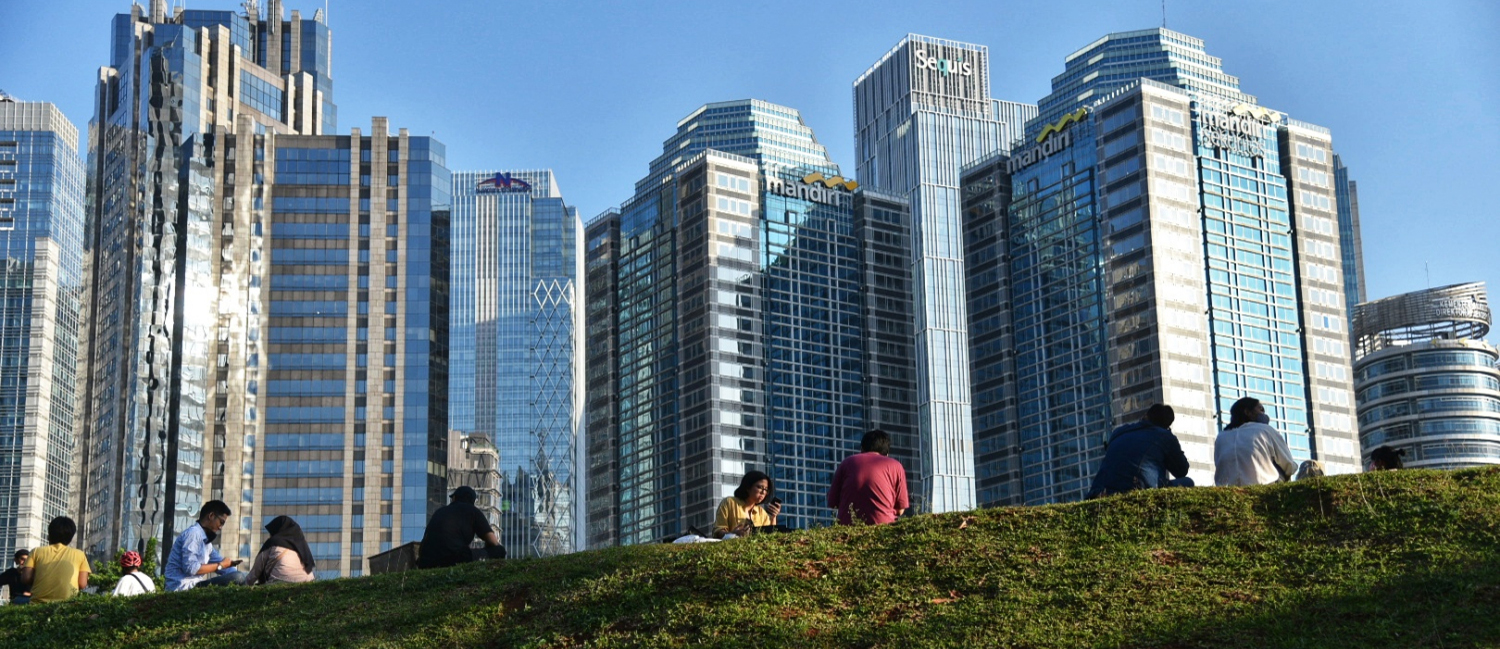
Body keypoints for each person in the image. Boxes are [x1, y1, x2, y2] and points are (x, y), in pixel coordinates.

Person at [1086, 404, 1193, 498]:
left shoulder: (1119, 432)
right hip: (1135, 488)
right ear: (1167, 425)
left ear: (1146, 416)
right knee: (1188, 482)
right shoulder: (1165, 436)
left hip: (1098, 491)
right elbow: (1182, 471)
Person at [828, 430, 910, 525]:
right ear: (887, 453)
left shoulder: (846, 463)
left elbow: (832, 503)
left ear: (862, 449)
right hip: (883, 527)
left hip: (848, 528)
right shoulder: (896, 466)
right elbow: (900, 510)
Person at [1214, 397, 1298, 486]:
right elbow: (1289, 466)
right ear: (1248, 412)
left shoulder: (1221, 437)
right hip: (1265, 488)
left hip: (1228, 492)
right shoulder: (1265, 430)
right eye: (1261, 409)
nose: (1264, 413)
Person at [165, 500, 246, 591]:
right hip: (181, 588)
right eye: (221, 522)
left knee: (240, 577)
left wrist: (233, 568)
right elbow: (191, 568)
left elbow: (225, 568)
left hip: (193, 587)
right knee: (238, 577)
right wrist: (221, 565)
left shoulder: (207, 545)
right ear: (211, 516)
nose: (220, 527)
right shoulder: (193, 533)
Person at [418, 486, 505, 569]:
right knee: (499, 550)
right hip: (454, 559)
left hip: (425, 562)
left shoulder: (439, 511)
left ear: (454, 498)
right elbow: (493, 541)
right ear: (473, 501)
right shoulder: (473, 511)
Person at [20, 517, 90, 603]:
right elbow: (82, 584)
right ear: (70, 537)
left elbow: (26, 578)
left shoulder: (36, 552)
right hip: (67, 604)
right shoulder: (80, 554)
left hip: (37, 604)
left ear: (49, 535)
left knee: (17, 600)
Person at [247, 515, 316, 585]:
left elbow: (256, 571)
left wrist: (244, 586)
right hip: (307, 582)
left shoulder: (273, 542)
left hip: (280, 583)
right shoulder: (302, 546)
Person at [712, 471, 781, 538]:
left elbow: (770, 537)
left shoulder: (762, 513)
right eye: (759, 487)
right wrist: (733, 534)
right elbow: (718, 531)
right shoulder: (729, 502)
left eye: (766, 489)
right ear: (748, 487)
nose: (763, 492)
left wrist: (773, 517)